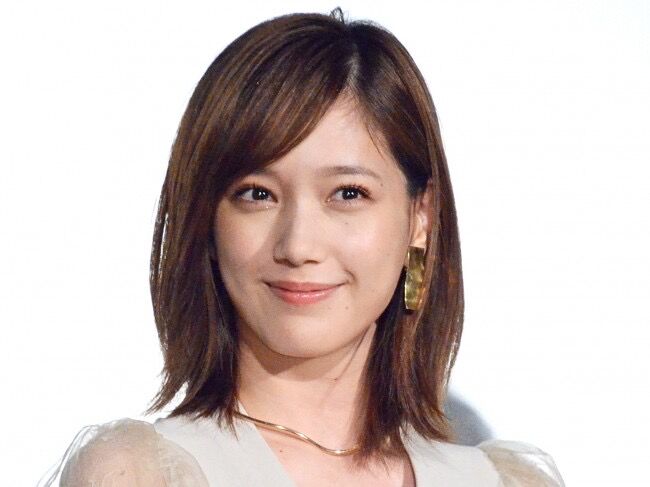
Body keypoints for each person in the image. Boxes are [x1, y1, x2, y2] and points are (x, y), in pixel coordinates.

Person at [39, 8, 565, 487]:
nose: (298, 245)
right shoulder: (140, 474)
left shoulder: (502, 483)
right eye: (257, 194)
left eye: (348, 194)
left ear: (420, 218)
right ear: (207, 220)